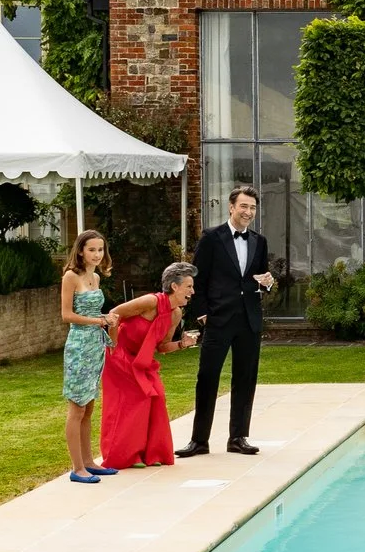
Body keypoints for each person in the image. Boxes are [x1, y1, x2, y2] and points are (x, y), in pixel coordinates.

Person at [182, 185, 273, 458]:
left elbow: (260, 278)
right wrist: (202, 314)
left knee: (245, 379)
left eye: (253, 208)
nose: (248, 212)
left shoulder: (260, 240)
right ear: (231, 207)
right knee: (207, 377)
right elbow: (196, 279)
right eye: (243, 206)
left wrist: (267, 284)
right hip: (218, 319)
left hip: (249, 319)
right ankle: (199, 440)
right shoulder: (212, 237)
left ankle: (238, 437)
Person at [103, 262, 198, 468]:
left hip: (143, 361)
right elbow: (114, 315)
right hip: (120, 355)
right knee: (135, 399)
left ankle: (152, 453)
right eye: (189, 287)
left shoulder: (175, 314)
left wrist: (183, 344)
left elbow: (162, 347)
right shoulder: (150, 301)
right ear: (174, 286)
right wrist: (113, 346)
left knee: (157, 397)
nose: (193, 291)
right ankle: (127, 455)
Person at [59, 231, 120, 484]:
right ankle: (76, 468)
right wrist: (100, 320)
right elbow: (67, 315)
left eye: (100, 250)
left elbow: (94, 310)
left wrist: (107, 319)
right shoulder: (70, 277)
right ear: (81, 251)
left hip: (95, 345)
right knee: (77, 407)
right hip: (79, 346)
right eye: (92, 249)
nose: (97, 254)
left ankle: (89, 462)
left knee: (89, 407)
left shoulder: (95, 277)